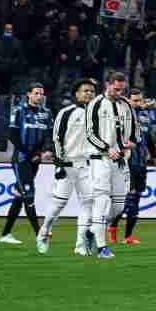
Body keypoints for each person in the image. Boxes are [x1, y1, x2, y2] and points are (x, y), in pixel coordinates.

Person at [40, 79, 97, 255]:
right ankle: (44, 233)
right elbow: (56, 138)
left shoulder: (96, 114)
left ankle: (80, 245)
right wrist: (59, 164)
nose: (89, 93)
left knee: (88, 204)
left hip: (86, 166)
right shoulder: (66, 112)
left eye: (92, 91)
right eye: (85, 90)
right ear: (76, 94)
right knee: (58, 205)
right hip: (67, 165)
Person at [86, 71, 138, 259]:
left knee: (117, 207)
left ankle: (92, 231)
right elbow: (90, 133)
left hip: (120, 161)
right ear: (107, 84)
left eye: (121, 89)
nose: (118, 92)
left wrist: (132, 141)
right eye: (115, 88)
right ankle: (101, 248)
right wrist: (107, 149)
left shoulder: (126, 105)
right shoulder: (95, 104)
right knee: (102, 200)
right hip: (100, 160)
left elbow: (135, 130)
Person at [0, 82, 52, 246]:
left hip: (35, 159)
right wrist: (29, 154)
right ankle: (40, 234)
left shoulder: (47, 113)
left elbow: (48, 135)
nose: (39, 96)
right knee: (29, 194)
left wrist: (42, 152)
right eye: (36, 93)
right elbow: (12, 135)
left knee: (19, 197)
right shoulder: (19, 110)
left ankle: (6, 234)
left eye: (41, 93)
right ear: (29, 94)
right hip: (21, 159)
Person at [110, 88, 156, 245]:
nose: (138, 103)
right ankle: (113, 226)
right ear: (128, 100)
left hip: (141, 163)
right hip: (126, 162)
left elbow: (149, 140)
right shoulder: (121, 115)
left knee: (136, 201)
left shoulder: (145, 117)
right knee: (127, 200)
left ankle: (128, 236)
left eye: (140, 100)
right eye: (135, 100)